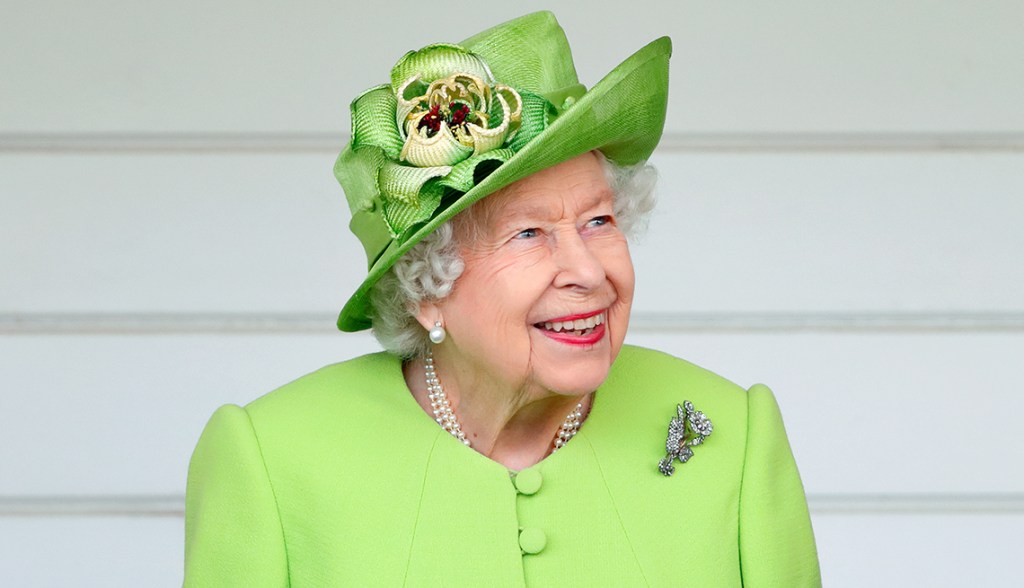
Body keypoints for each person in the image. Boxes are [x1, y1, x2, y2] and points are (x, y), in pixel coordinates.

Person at [183, 11, 820, 586]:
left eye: (599, 221)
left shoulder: (734, 433)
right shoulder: (273, 458)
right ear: (426, 287)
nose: (588, 272)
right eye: (529, 234)